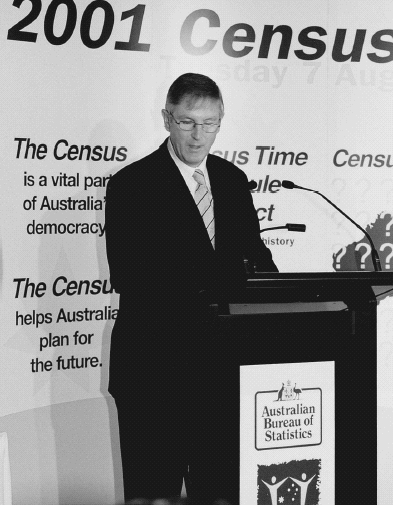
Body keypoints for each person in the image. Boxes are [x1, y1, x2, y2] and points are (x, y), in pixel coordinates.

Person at [105, 73, 277, 504]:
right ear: (167, 119)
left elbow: (255, 257)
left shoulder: (232, 180)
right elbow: (130, 274)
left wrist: (276, 290)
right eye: (187, 123)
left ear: (221, 120)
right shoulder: (132, 184)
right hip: (154, 371)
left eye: (209, 123)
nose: (199, 136)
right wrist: (215, 282)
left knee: (219, 494)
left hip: (221, 372)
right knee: (153, 494)